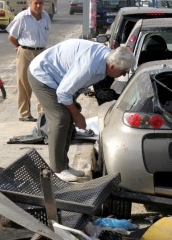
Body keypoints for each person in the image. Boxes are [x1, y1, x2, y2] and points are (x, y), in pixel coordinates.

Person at [28, 40, 135, 182]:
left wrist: (74, 110)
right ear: (112, 66)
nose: (123, 75)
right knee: (60, 118)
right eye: (123, 71)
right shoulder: (90, 66)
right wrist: (77, 115)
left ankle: (64, 166)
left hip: (59, 80)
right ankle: (57, 170)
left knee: (69, 115)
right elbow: (63, 93)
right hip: (42, 75)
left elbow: (74, 87)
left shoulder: (106, 62)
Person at [7, 0, 51, 122]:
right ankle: (24, 113)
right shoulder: (22, 17)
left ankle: (42, 113)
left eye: (40, 3)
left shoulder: (45, 16)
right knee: (23, 83)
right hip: (26, 53)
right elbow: (11, 37)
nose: (38, 6)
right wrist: (19, 48)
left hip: (41, 53)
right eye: (35, 3)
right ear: (30, 3)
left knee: (42, 82)